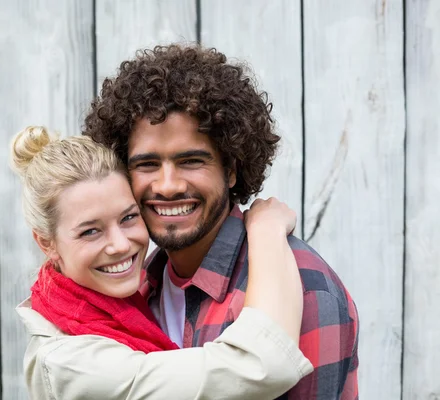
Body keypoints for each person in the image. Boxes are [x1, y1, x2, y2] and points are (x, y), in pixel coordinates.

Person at [83, 44, 360, 400]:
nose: (168, 186)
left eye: (191, 161)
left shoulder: (301, 289)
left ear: (231, 170)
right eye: (147, 164)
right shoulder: (137, 287)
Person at [13, 126, 313, 400]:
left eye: (128, 217)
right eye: (90, 231)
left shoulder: (136, 298)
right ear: (46, 243)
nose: (120, 245)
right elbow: (260, 366)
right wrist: (266, 231)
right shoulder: (72, 363)